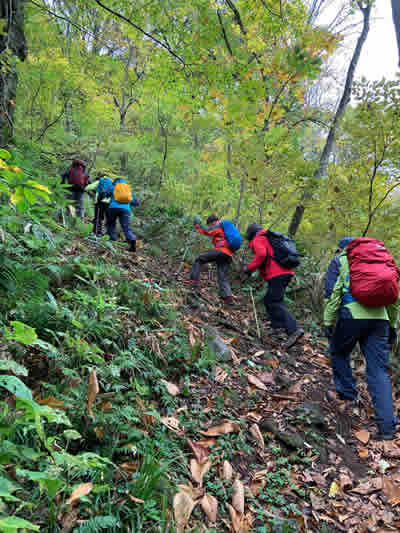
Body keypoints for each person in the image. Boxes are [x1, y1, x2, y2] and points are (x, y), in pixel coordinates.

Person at [323, 238, 399, 440]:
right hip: (380, 320)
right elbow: (393, 298)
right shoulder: (381, 261)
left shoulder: (346, 260)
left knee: (339, 352)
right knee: (378, 371)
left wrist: (328, 321)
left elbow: (336, 292)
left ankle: (348, 395)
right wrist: (391, 325)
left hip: (351, 315)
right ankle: (387, 428)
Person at [243, 224, 304, 349]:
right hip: (284, 272)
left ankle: (294, 330)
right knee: (270, 300)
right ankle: (279, 330)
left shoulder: (258, 239)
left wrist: (249, 269)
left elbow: (261, 254)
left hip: (277, 274)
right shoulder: (268, 237)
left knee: (274, 301)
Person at [185, 215, 234, 306]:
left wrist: (197, 225)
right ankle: (228, 297)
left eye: (210, 224)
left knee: (199, 259)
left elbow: (206, 231)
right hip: (228, 254)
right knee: (222, 276)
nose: (210, 226)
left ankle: (193, 280)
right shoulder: (225, 229)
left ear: (213, 222)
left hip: (221, 251)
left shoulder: (219, 226)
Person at [106, 177, 138, 252]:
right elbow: (135, 202)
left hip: (113, 208)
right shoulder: (127, 188)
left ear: (114, 181)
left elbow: (106, 193)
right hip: (126, 210)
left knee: (111, 224)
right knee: (126, 227)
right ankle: (132, 240)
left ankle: (111, 240)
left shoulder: (113, 186)